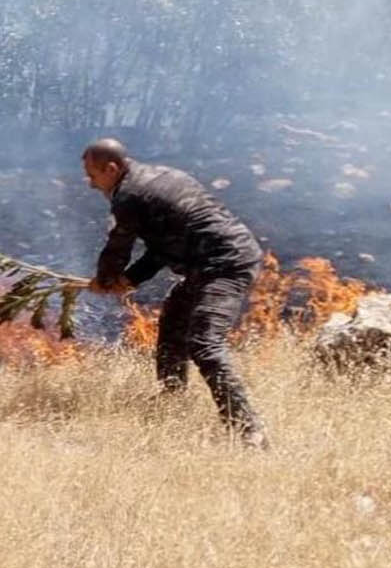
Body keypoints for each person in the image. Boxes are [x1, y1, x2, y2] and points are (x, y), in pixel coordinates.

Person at [81, 138, 268, 447]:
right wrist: (130, 280)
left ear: (111, 168)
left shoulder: (129, 195)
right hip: (210, 263)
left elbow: (118, 247)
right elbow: (161, 246)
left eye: (93, 175)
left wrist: (105, 279)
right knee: (172, 325)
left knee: (205, 344)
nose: (90, 184)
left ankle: (249, 432)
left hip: (225, 265)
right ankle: (172, 401)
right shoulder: (165, 176)